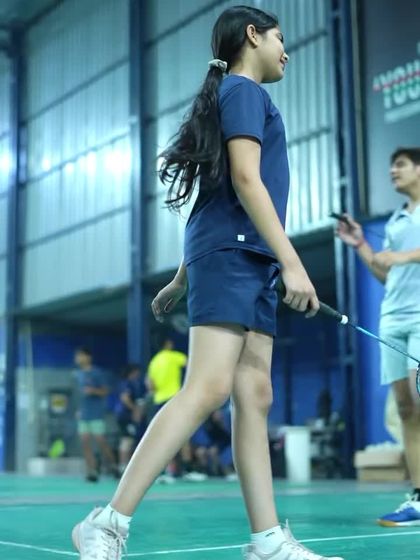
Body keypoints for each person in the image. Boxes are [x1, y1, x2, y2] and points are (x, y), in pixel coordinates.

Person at [71, 7, 343, 559]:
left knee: (255, 394)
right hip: (238, 254)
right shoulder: (243, 91)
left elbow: (210, 197)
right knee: (209, 387)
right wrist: (293, 261)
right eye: (280, 38)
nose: (287, 51)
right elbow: (244, 180)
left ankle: (267, 542)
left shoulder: (238, 95)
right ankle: (106, 522)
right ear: (252, 37)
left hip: (247, 257)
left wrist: (182, 276)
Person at [336, 147, 420, 527]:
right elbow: (388, 275)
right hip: (392, 319)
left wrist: (402, 257)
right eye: (391, 165)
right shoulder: (396, 221)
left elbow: (400, 261)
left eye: (400, 164)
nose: (392, 171)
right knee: (405, 409)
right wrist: (361, 245)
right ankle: (418, 496)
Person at [74, 347, 119, 482]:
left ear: (88, 357)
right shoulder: (78, 374)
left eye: (81, 355)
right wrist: (79, 409)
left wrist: (93, 391)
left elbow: (106, 391)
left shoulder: (97, 373)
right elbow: (79, 395)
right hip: (84, 414)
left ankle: (114, 467)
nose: (78, 359)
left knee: (101, 441)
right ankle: (91, 471)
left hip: (96, 414)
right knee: (85, 442)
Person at [114, 364, 146, 476]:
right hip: (125, 417)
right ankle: (123, 467)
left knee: (128, 440)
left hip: (125, 416)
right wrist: (135, 409)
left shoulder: (132, 384)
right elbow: (125, 398)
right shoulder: (127, 384)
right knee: (126, 440)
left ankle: (125, 466)